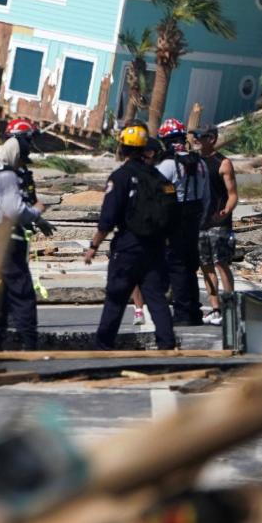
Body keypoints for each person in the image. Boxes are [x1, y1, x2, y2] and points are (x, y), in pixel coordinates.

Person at [84, 125, 177, 350]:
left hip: (127, 247)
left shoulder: (120, 177)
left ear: (122, 148)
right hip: (155, 248)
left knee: (115, 298)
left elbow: (108, 217)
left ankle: (103, 346)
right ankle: (167, 345)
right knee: (156, 299)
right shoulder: (158, 177)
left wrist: (93, 246)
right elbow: (173, 213)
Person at [0, 134, 55, 351]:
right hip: (6, 242)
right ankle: (29, 344)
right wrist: (36, 212)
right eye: (21, 160)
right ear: (16, 155)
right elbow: (14, 209)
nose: (21, 165)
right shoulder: (8, 176)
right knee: (23, 294)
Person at [157, 118, 210, 326]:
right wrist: (202, 219)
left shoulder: (168, 165)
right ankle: (194, 311)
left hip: (175, 219)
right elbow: (206, 197)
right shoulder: (201, 163)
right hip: (194, 217)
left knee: (176, 266)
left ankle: (181, 314)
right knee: (190, 265)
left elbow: (157, 195)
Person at [195, 125, 238, 326]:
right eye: (195, 135)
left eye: (200, 136)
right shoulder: (194, 161)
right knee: (206, 266)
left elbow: (233, 195)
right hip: (199, 223)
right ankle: (215, 309)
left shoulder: (223, 163)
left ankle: (229, 307)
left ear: (211, 138)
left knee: (221, 263)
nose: (196, 139)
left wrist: (226, 212)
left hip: (219, 224)